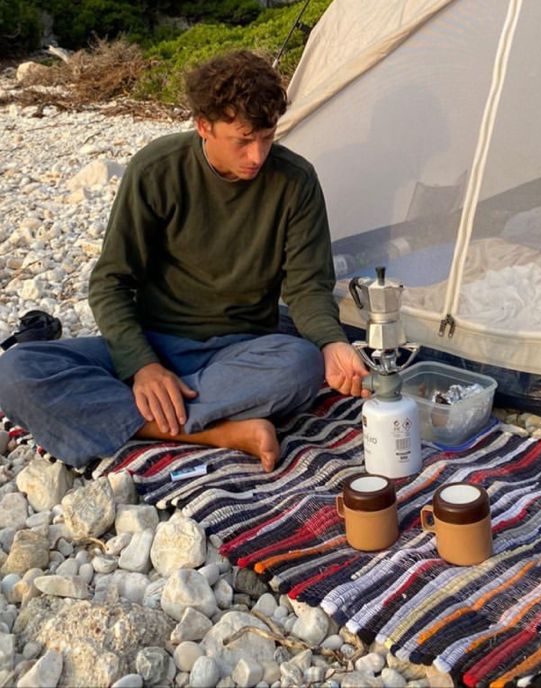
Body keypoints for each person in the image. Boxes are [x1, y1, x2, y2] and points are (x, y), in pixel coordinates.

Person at [0, 51, 368, 471]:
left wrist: (330, 342)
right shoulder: (156, 170)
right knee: (17, 370)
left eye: (267, 137)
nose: (258, 157)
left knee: (301, 364)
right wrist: (142, 366)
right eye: (243, 140)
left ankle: (137, 418)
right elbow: (111, 282)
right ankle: (218, 431)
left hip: (242, 350)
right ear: (203, 126)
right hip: (156, 339)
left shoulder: (295, 180)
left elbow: (306, 286)